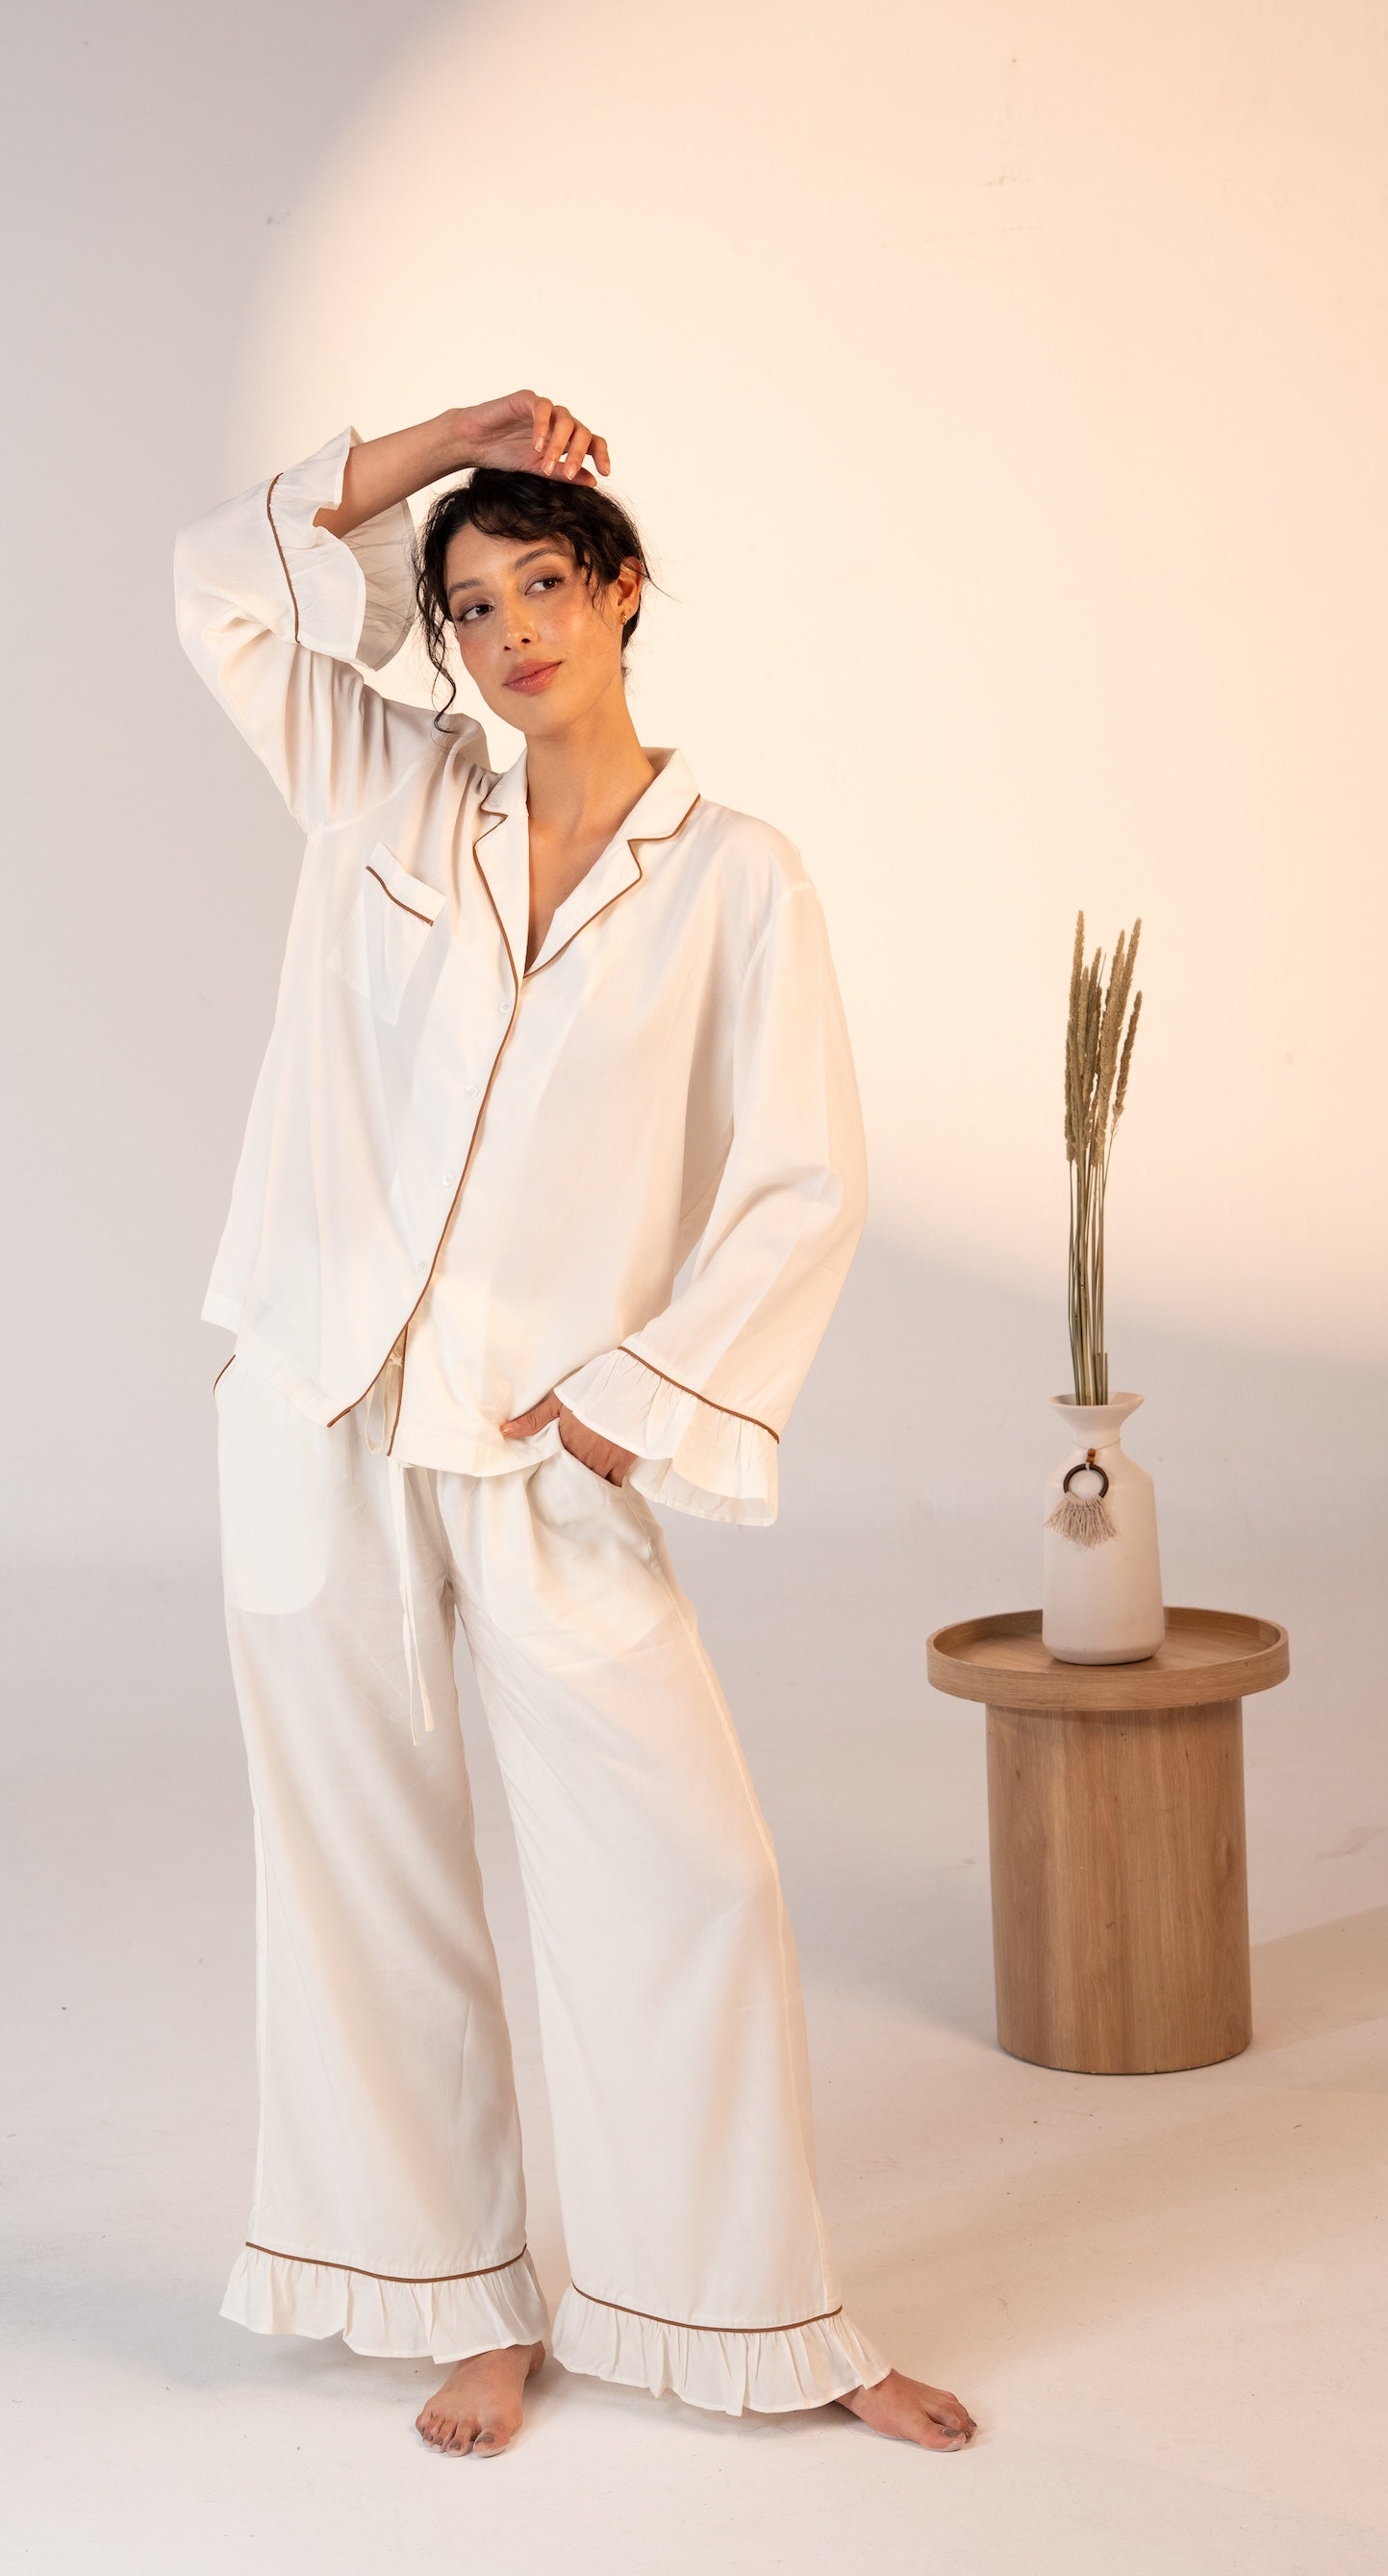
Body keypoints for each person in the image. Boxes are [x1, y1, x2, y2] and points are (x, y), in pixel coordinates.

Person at [172, 389, 976, 2460]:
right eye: (465, 601)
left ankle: (766, 2321)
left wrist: (634, 1405)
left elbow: (802, 1177)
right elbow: (216, 586)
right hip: (319, 1403)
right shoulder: (384, 790)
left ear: (622, 594)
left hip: (539, 1436)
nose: (511, 628)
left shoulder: (737, 881)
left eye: (544, 581)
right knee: (359, 1873)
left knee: (682, 1868)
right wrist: (439, 434)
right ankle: (457, 2303)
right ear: (432, 642)